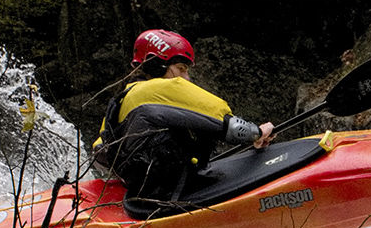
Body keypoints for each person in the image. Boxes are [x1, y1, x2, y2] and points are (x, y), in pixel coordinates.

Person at [92, 30, 273, 212]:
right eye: (180, 68)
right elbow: (228, 123)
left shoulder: (122, 98)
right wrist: (257, 133)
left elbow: (100, 152)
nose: (186, 78)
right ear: (158, 65)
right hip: (173, 195)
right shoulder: (161, 88)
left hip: (143, 196)